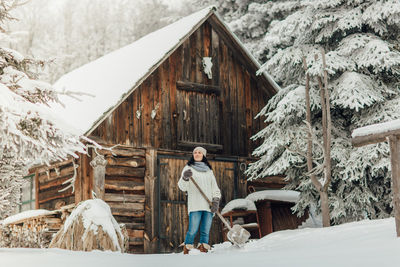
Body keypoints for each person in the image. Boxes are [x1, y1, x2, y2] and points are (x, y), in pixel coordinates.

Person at [178, 146, 221, 254]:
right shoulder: (188, 168)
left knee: (205, 231)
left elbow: (215, 187)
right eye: (195, 152)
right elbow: (182, 187)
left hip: (208, 205)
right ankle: (187, 249)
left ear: (203, 155)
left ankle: (203, 250)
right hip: (195, 204)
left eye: (199, 152)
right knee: (192, 230)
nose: (197, 154)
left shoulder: (209, 171)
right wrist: (185, 178)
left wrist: (215, 201)